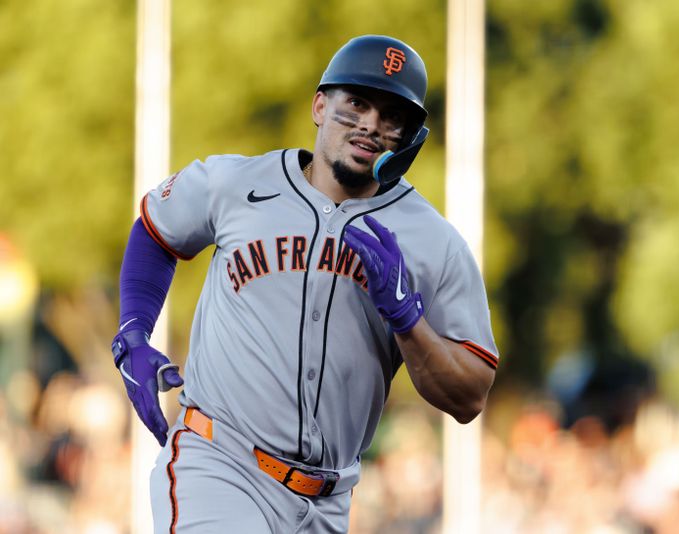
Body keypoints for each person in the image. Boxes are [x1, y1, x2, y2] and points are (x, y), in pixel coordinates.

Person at [111, 34, 498, 533]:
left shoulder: (432, 241)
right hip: (220, 463)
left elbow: (470, 396)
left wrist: (409, 320)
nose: (371, 125)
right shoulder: (235, 184)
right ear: (319, 105)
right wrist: (134, 330)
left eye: (392, 116)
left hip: (328, 501)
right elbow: (157, 228)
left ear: (409, 139)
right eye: (356, 102)